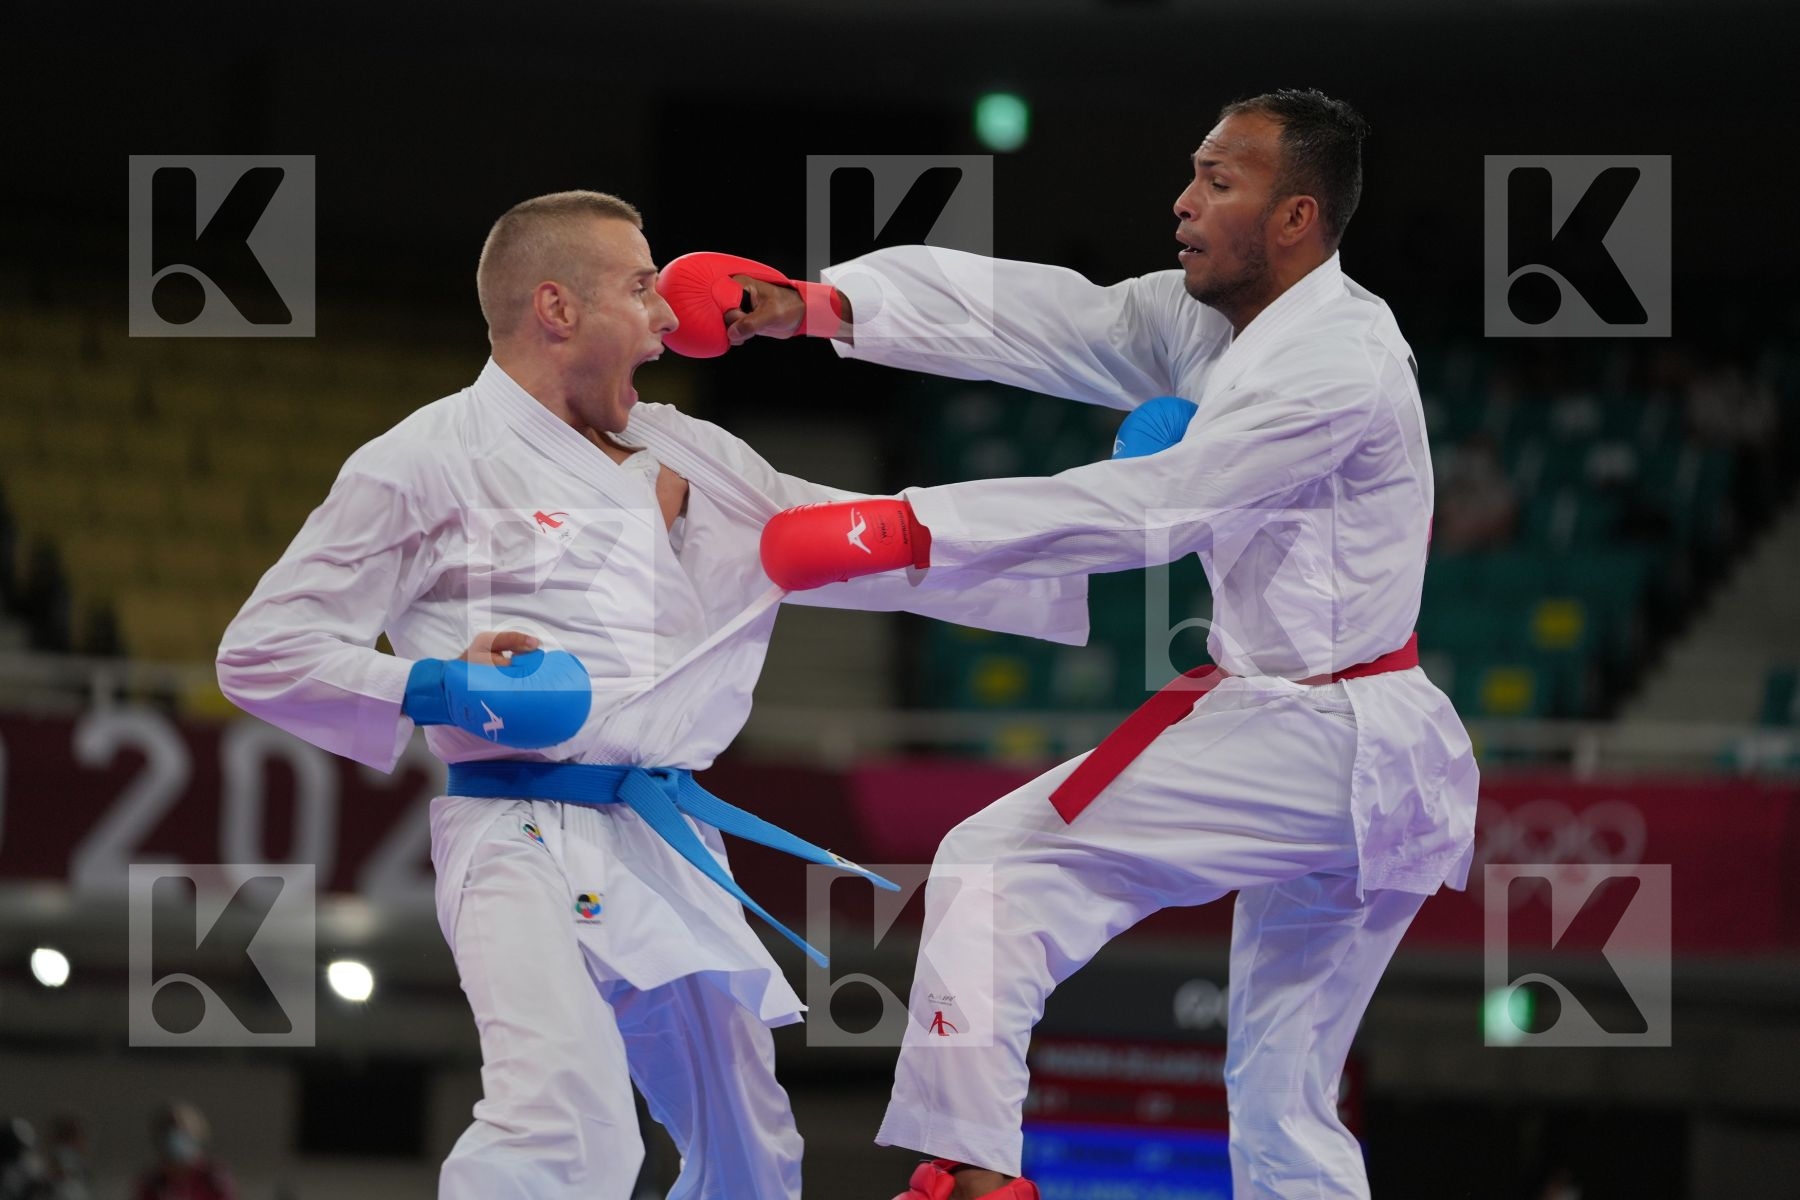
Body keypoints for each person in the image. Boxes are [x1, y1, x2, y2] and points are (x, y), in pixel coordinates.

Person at [216, 191, 1085, 1200]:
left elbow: (874, 536)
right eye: (641, 287)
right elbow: (263, 649)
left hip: (666, 837)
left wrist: (1110, 512)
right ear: (557, 308)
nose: (672, 314)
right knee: (564, 1125)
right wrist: (437, 683)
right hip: (516, 832)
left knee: (755, 1155)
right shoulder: (424, 461)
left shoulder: (691, 452)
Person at [714, 89, 1479, 1200]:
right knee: (1281, 1101)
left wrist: (913, 527)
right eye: (1192, 171)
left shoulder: (1337, 362)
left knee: (997, 864)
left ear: (1297, 217)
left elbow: (1159, 509)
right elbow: (1046, 317)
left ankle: (971, 1180)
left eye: (1220, 180)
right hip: (1365, 753)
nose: (1183, 201)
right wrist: (824, 304)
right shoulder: (1215, 320)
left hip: (1326, 733)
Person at [132, 1103, 236, 1200]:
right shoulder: (152, 1183)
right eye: (169, 1131)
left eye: (183, 1130)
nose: (176, 1138)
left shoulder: (213, 1178)